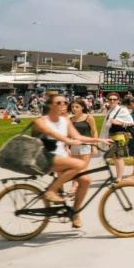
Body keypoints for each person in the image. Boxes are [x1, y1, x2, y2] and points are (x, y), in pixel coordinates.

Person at [34, 94, 103, 228]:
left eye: (65, 103)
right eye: (58, 103)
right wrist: (69, 141)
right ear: (50, 106)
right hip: (44, 157)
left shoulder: (65, 121)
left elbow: (78, 136)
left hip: (61, 157)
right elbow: (50, 133)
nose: (64, 105)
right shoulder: (41, 120)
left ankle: (75, 212)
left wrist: (99, 141)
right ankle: (51, 191)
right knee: (79, 164)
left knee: (86, 181)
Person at [99, 93, 134, 182]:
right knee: (115, 158)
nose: (112, 101)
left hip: (119, 136)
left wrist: (118, 123)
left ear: (118, 100)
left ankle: (119, 178)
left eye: (114, 99)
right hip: (111, 136)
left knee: (118, 158)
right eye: (110, 99)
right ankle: (118, 176)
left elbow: (131, 123)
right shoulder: (110, 110)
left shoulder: (122, 110)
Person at [68, 97, 99, 196]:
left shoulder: (88, 117)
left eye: (77, 107)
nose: (74, 109)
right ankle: (73, 185)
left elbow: (94, 131)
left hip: (86, 145)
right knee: (73, 168)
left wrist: (94, 146)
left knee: (83, 168)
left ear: (82, 107)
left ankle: (80, 188)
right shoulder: (70, 119)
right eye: (72, 107)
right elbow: (68, 135)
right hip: (74, 145)